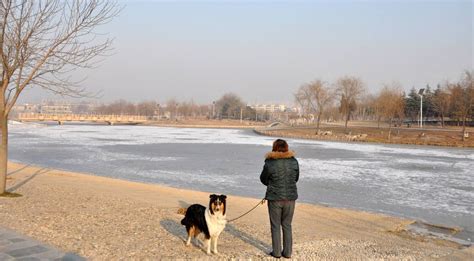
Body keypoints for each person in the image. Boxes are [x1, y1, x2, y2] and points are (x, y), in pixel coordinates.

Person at [260, 139, 299, 259]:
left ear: (274, 148)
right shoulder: (294, 161)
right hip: (290, 198)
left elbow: (263, 179)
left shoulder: (270, 162)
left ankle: (276, 252)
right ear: (286, 148)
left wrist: (272, 184)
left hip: (275, 198)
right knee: (287, 224)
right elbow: (296, 178)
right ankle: (287, 253)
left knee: (275, 225)